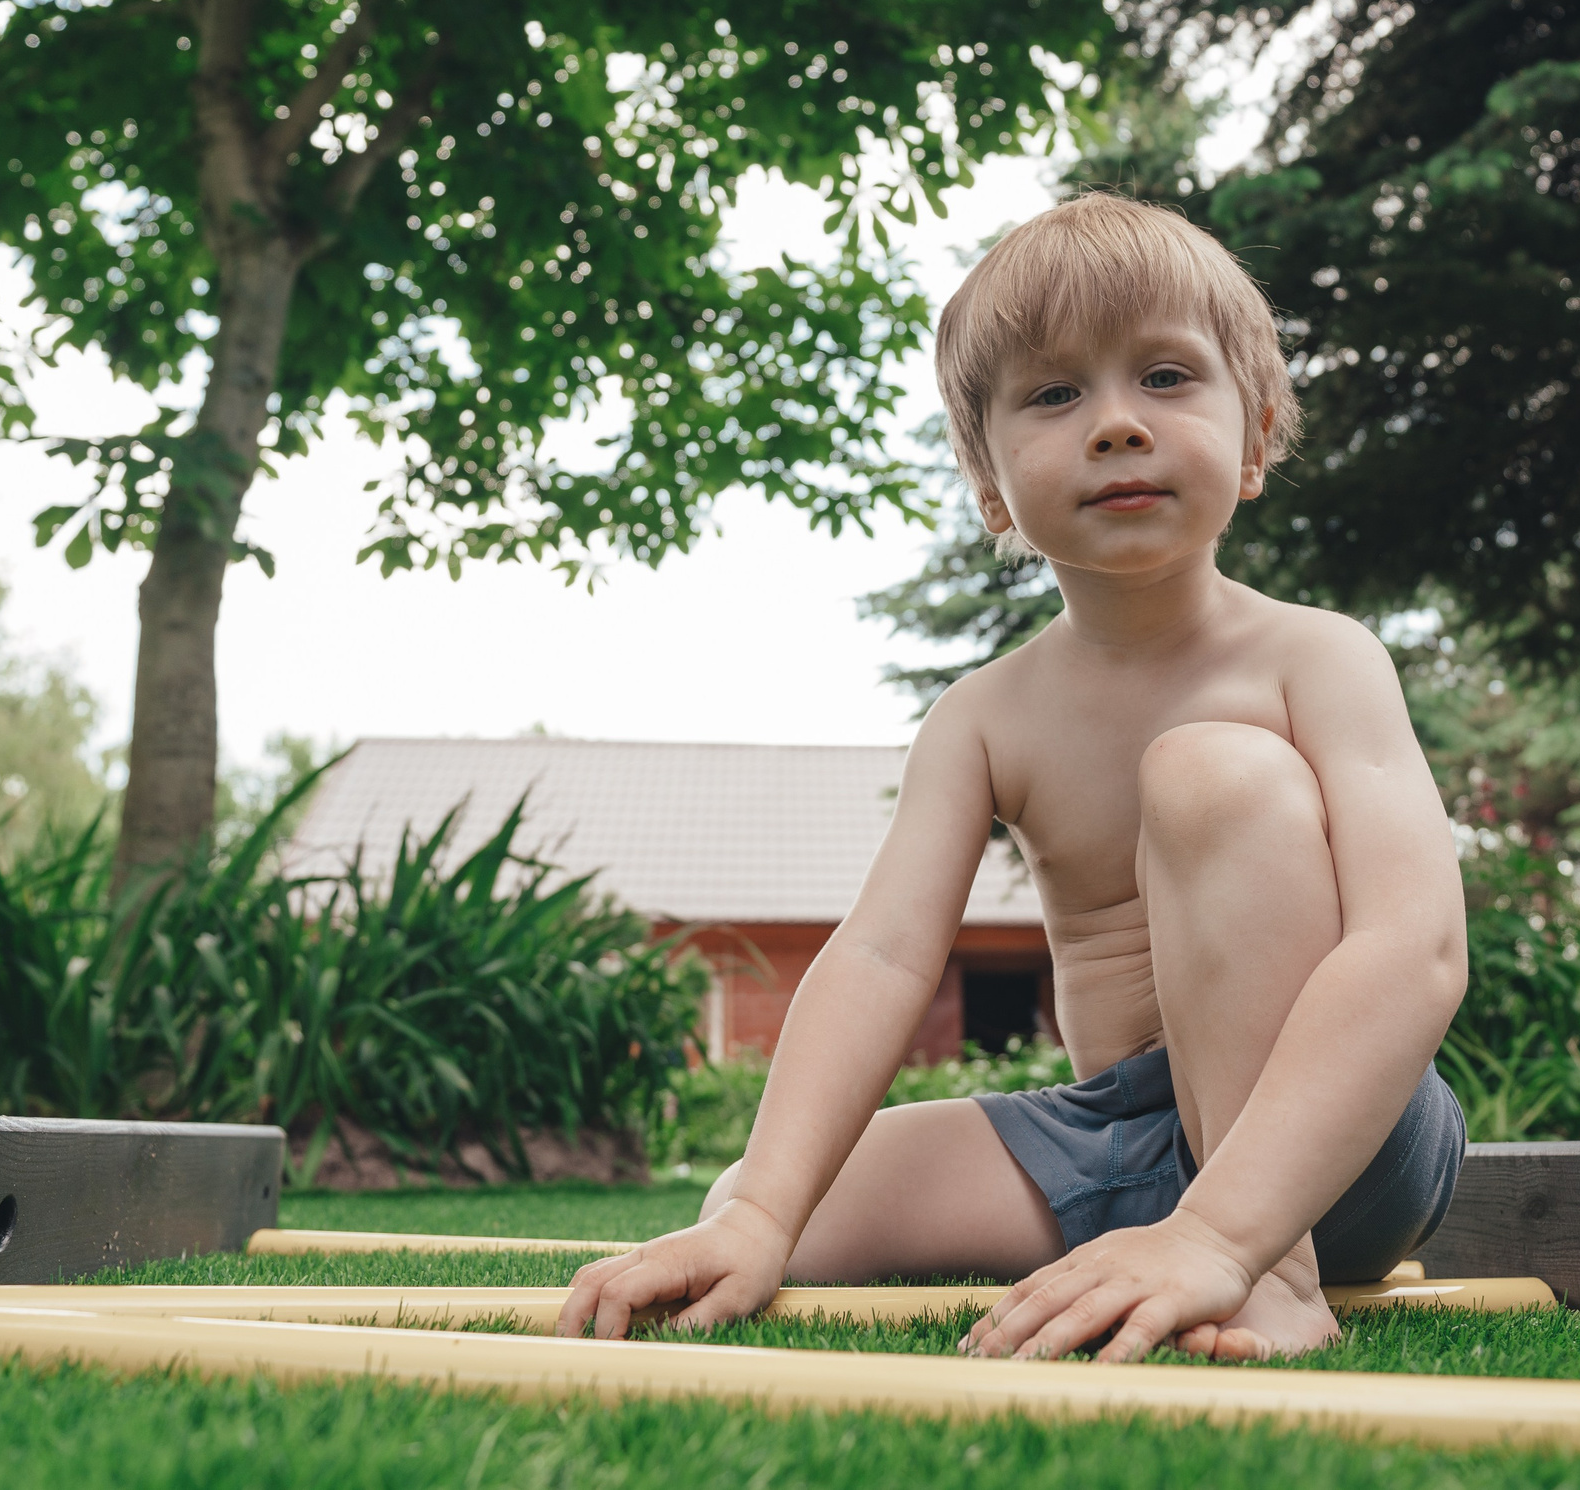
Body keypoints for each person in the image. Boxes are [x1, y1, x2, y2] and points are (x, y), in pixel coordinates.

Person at [558, 193, 1469, 1362]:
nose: (1114, 425)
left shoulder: (1318, 656)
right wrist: (761, 1212)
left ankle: (1265, 1275)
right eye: (1054, 394)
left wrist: (1228, 1230)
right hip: (1120, 1148)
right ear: (990, 483)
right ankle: (1166, 1238)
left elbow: (1415, 946)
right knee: (769, 1190)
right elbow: (884, 954)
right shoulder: (982, 716)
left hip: (1343, 1136)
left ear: (1255, 436)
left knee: (1207, 772)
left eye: (1167, 378)